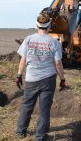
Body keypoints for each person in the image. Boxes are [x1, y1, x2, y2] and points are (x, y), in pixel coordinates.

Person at [15, 12, 66, 141]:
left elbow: (23, 60)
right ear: (49, 27)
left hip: (31, 78)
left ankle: (21, 132)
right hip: (48, 79)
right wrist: (62, 79)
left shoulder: (28, 39)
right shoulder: (54, 42)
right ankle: (41, 136)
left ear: (36, 26)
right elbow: (58, 63)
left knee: (27, 105)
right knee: (44, 108)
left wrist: (19, 75)